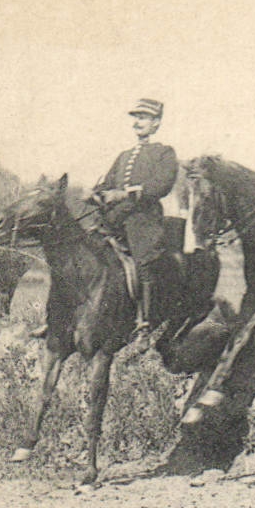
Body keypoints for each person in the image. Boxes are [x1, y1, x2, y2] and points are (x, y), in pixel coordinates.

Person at [91, 97, 178, 336]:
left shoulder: (164, 153)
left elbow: (161, 185)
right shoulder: (124, 156)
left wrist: (124, 194)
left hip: (144, 221)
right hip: (114, 221)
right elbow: (107, 183)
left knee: (144, 262)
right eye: (136, 118)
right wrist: (96, 194)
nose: (137, 123)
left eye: (143, 118)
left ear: (156, 122)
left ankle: (145, 323)